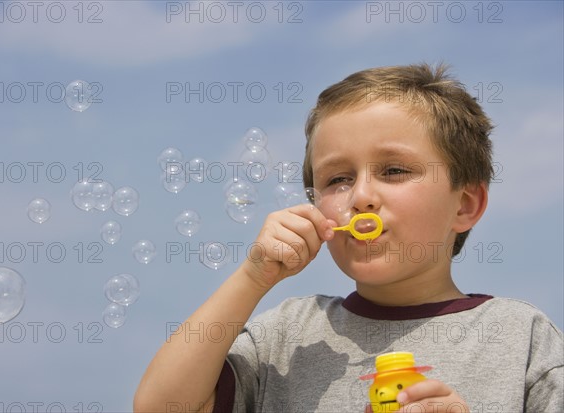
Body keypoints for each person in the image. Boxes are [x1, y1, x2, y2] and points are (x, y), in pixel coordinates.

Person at [134, 63, 563, 412]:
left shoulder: (519, 336)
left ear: (464, 206)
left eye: (394, 170)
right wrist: (253, 277)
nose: (360, 196)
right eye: (338, 179)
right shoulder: (289, 336)